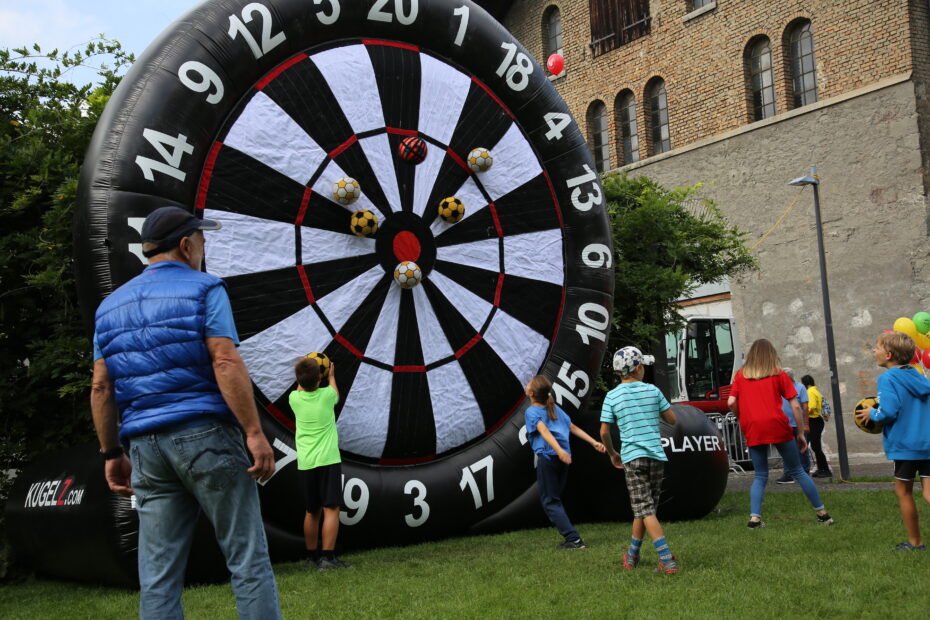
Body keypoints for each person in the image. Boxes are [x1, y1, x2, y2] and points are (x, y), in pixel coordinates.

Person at [90, 206, 282, 619]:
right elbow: (224, 360)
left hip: (144, 447)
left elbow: (101, 387)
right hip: (205, 434)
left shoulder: (108, 308)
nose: (203, 248)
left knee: (158, 576)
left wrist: (111, 453)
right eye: (202, 240)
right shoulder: (206, 289)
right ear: (185, 245)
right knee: (247, 558)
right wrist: (253, 432)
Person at [727, 339, 834, 529]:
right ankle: (822, 514)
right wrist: (800, 433)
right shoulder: (779, 374)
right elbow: (796, 406)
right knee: (798, 471)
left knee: (760, 475)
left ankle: (754, 519)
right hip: (778, 425)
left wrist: (742, 417)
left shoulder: (741, 376)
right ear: (772, 355)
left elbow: (731, 402)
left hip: (753, 427)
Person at [600, 346, 680, 574]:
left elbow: (604, 432)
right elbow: (672, 419)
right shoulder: (652, 391)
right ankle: (632, 556)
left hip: (632, 458)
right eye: (643, 365)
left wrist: (612, 453)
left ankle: (666, 559)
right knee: (645, 509)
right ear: (637, 369)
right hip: (656, 456)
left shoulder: (612, 396)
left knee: (645, 509)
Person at [855, 331, 930, 551]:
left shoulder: (887, 378)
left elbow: (888, 411)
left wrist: (871, 413)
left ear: (888, 355)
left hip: (905, 446)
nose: (873, 350)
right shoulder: (919, 375)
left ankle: (915, 543)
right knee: (928, 492)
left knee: (903, 492)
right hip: (927, 443)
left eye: (877, 347)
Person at [524, 375, 606, 550]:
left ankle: (573, 539)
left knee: (550, 501)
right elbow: (572, 427)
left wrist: (559, 451)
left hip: (550, 457)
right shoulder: (553, 407)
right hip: (562, 458)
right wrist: (593, 442)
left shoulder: (532, 411)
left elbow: (544, 430)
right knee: (554, 498)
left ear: (531, 393)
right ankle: (572, 537)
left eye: (528, 384)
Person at [290, 356, 351, 569]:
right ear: (320, 378)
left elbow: (301, 386)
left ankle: (310, 557)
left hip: (306, 463)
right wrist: (331, 376)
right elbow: (335, 392)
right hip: (328, 460)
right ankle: (328, 557)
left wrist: (306, 370)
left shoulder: (294, 399)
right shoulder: (327, 396)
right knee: (331, 508)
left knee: (311, 510)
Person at [775, 368, 811, 483]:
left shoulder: (800, 387)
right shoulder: (779, 388)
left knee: (802, 449)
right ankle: (788, 474)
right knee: (786, 450)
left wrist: (806, 424)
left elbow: (805, 407)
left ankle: (805, 472)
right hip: (785, 424)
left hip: (798, 424)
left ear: (787, 378)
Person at [801, 374, 832, 478]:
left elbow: (812, 406)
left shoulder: (810, 392)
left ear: (805, 384)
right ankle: (821, 469)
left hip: (813, 420)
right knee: (815, 446)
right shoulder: (816, 391)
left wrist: (804, 412)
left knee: (816, 447)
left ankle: (825, 470)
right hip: (817, 420)